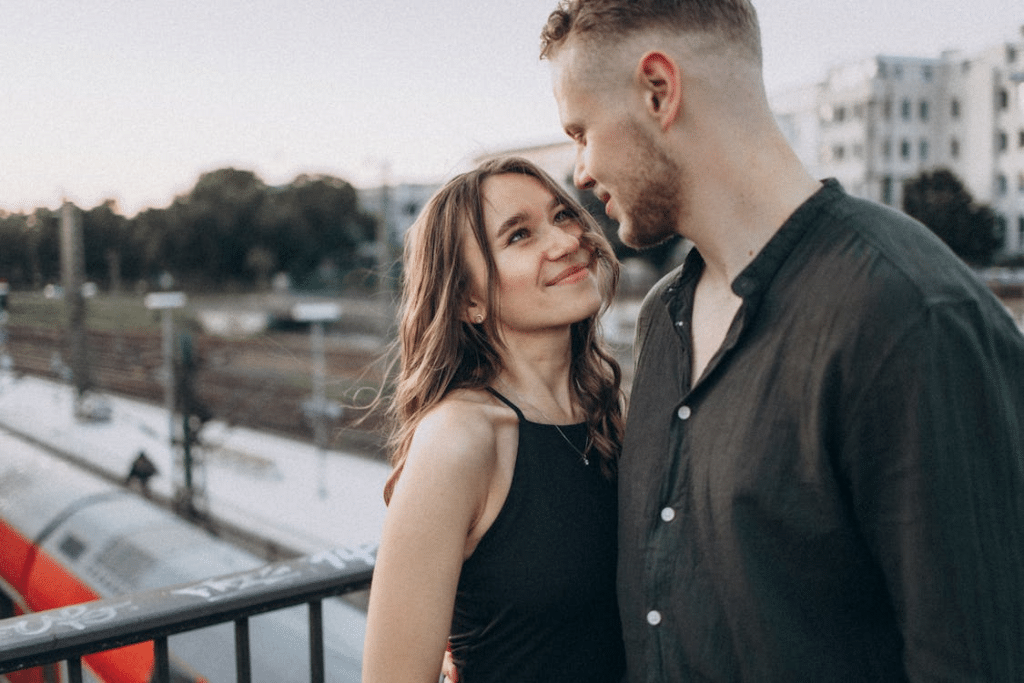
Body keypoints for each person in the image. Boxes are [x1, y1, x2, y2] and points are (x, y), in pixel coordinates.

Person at [539, 1, 1024, 681]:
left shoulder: (910, 313)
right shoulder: (660, 318)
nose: (580, 171)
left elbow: (976, 656)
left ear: (658, 90)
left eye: (581, 130)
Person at [361, 156, 627, 683]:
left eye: (562, 216)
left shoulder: (609, 412)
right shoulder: (460, 437)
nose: (566, 240)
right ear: (468, 301)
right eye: (520, 235)